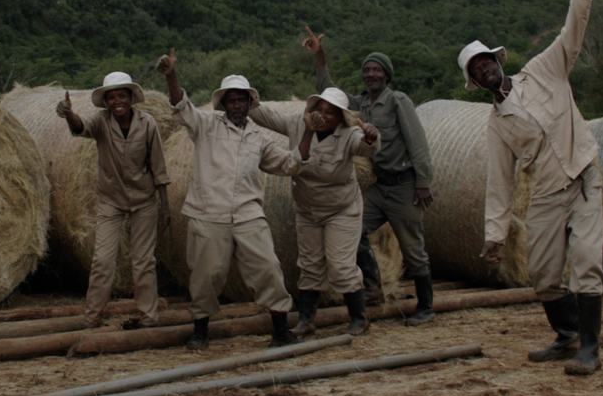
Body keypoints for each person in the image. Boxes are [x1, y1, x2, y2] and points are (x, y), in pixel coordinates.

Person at [460, 0, 603, 376]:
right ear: (474, 82)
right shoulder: (496, 124)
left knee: (585, 265)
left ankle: (590, 350)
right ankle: (567, 335)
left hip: (581, 180)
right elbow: (499, 181)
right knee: (542, 276)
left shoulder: (543, 70)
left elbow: (571, 35)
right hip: (544, 195)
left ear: (497, 60)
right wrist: (495, 234)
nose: (484, 69)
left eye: (486, 60)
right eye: (475, 69)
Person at [155, 49, 305, 350]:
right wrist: (171, 76)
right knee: (206, 275)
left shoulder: (259, 138)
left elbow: (290, 165)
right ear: (222, 103)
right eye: (231, 100)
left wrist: (310, 133)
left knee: (269, 269)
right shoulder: (206, 125)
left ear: (250, 103)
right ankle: (200, 332)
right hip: (209, 213)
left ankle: (280, 331)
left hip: (249, 215)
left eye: (242, 100)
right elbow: (181, 105)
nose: (237, 105)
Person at [306, 30, 438, 324]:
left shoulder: (397, 101)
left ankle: (426, 309)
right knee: (353, 230)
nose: (370, 74)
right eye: (366, 70)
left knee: (413, 250)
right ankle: (373, 285)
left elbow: (417, 142)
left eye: (376, 70)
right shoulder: (361, 103)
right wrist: (319, 55)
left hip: (404, 186)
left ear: (386, 75)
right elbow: (329, 91)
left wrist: (423, 182)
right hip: (378, 188)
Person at [249, 88, 379, 336]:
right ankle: (307, 321)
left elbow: (366, 148)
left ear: (341, 117)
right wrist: (245, 96)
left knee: (341, 266)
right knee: (309, 265)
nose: (322, 115)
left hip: (342, 209)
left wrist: (371, 137)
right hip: (308, 209)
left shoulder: (349, 134)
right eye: (318, 109)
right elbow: (264, 116)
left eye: (330, 112)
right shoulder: (298, 123)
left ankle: (359, 319)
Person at [55, 74, 172, 330]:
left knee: (143, 261)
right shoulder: (101, 121)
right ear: (105, 102)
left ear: (131, 98)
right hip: (111, 200)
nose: (117, 100)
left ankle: (149, 318)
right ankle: (92, 318)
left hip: (144, 200)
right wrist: (68, 114)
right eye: (111, 96)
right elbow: (80, 127)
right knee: (103, 261)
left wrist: (164, 205)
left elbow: (159, 167)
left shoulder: (148, 123)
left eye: (121, 95)